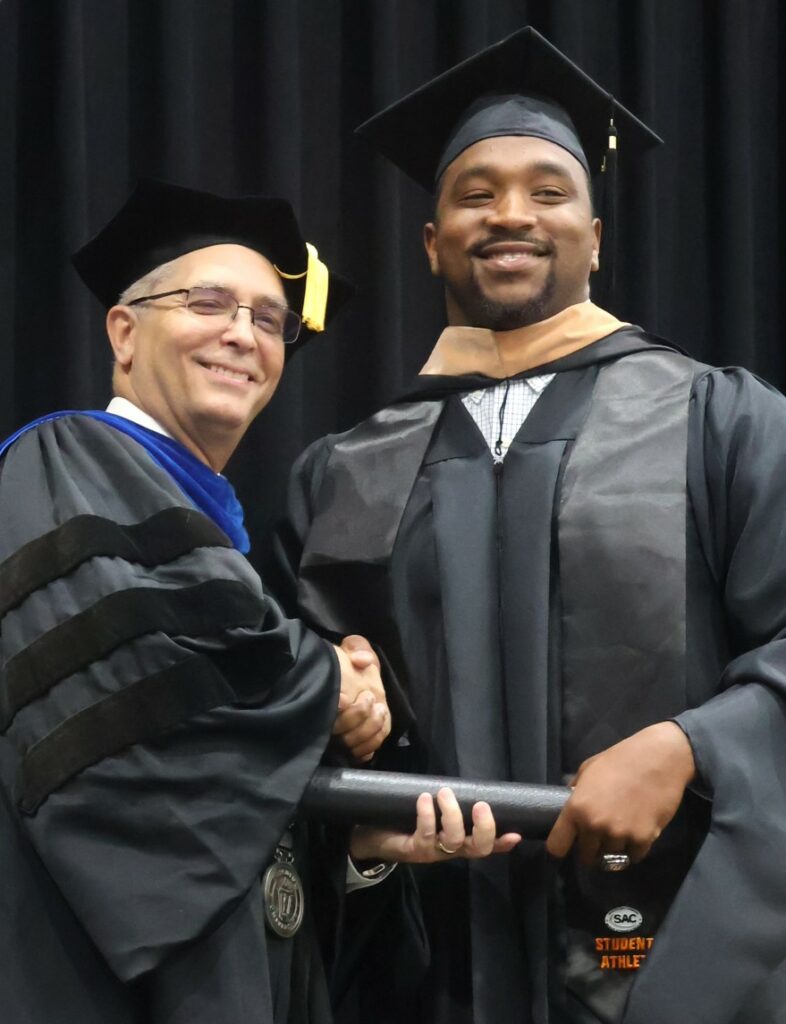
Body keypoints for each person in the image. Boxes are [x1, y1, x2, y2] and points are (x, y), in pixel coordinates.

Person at [273, 27, 786, 1024]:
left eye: (550, 191)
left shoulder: (722, 421)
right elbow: (296, 725)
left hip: (678, 967)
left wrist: (691, 745)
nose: (511, 214)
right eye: (475, 193)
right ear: (433, 240)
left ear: (597, 236)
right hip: (429, 978)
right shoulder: (344, 471)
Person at [0, 179, 391, 1024]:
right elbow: (140, 682)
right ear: (125, 331)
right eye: (207, 301)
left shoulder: (217, 541)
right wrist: (329, 680)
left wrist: (360, 839)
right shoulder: (60, 462)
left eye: (269, 318)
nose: (241, 334)